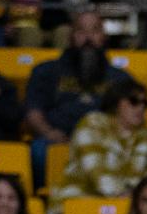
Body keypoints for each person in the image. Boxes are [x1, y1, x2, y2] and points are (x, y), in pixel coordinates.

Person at [22, 10, 111, 163]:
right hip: (57, 138)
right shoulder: (46, 71)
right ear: (71, 37)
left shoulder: (119, 78)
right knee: (39, 151)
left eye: (95, 31)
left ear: (104, 37)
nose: (88, 38)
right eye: (81, 31)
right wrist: (49, 132)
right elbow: (33, 110)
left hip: (104, 142)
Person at [57, 77, 147, 200]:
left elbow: (146, 177)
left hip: (127, 204)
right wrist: (121, 195)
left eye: (145, 103)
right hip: (80, 197)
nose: (140, 108)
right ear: (117, 101)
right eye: (134, 101)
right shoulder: (93, 123)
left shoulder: (146, 135)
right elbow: (95, 169)